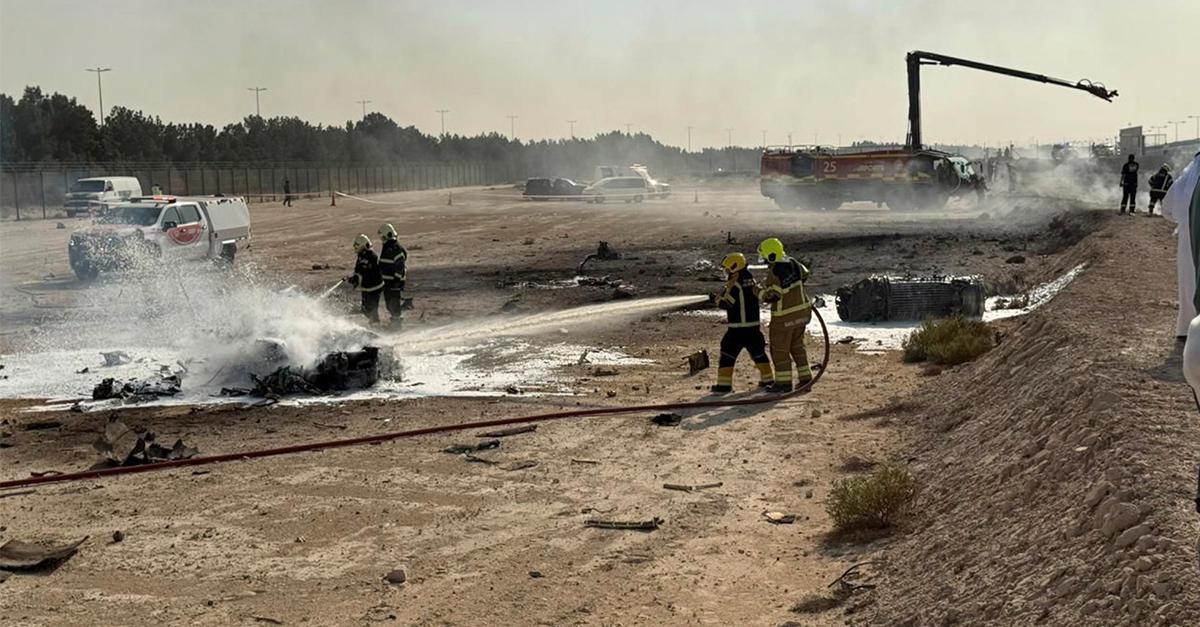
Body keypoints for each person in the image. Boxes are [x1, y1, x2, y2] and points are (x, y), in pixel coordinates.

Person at [709, 253, 774, 394]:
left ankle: (724, 385)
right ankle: (768, 380)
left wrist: (716, 300)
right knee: (759, 354)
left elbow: (727, 304)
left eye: (728, 269)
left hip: (737, 329)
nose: (726, 272)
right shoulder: (750, 279)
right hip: (753, 328)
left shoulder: (736, 284)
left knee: (727, 354)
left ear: (734, 267)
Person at [758, 238, 814, 394]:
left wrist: (757, 291)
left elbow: (772, 297)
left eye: (764, 256)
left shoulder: (774, 272)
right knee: (797, 347)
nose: (763, 260)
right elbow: (805, 275)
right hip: (802, 314)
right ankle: (806, 380)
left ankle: (783, 384)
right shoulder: (794, 263)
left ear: (770, 255)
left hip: (784, 319)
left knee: (779, 350)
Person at [1164, 153, 1200, 340]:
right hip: (1189, 232)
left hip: (1188, 236)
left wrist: (1184, 222)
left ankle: (1187, 328)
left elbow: (1167, 207)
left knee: (1188, 282)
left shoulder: (1187, 178)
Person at [345, 234, 384, 324]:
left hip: (374, 287)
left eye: (357, 246)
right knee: (365, 309)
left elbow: (365, 271)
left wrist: (356, 278)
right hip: (367, 287)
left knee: (372, 309)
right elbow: (358, 270)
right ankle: (374, 322)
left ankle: (376, 325)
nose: (355, 248)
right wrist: (353, 278)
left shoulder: (372, 256)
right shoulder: (361, 256)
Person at [377, 223, 408, 329]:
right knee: (389, 304)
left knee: (393, 303)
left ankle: (397, 325)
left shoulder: (395, 248)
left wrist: (396, 281)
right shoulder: (387, 247)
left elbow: (400, 266)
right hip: (387, 282)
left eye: (382, 237)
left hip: (393, 283)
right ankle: (395, 322)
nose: (382, 239)